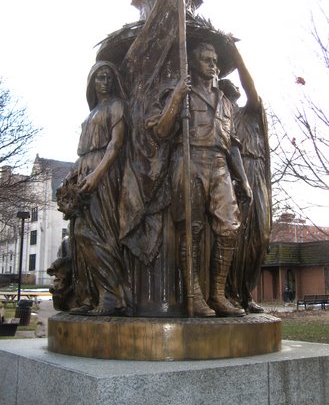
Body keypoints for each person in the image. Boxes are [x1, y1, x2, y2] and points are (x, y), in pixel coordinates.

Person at [149, 42, 251, 317]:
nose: (212, 65)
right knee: (190, 231)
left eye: (214, 60)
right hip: (189, 161)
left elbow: (232, 144)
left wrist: (242, 178)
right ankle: (194, 296)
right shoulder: (181, 93)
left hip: (219, 166)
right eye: (206, 59)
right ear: (193, 63)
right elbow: (160, 131)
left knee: (230, 227)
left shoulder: (226, 103)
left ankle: (218, 294)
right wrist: (176, 97)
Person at [61, 60, 132, 316]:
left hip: (104, 172)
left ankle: (112, 296)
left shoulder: (116, 105)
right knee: (80, 234)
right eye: (100, 77)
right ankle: (90, 295)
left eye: (109, 77)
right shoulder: (91, 114)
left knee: (99, 233)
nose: (105, 82)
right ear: (92, 82)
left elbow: (116, 145)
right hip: (85, 171)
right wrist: (73, 175)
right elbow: (82, 154)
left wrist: (97, 174)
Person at [220, 46, 272, 313]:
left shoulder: (251, 112)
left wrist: (237, 57)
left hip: (255, 172)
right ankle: (232, 294)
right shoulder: (222, 119)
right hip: (231, 175)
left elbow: (250, 87)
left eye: (228, 94)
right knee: (234, 236)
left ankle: (245, 292)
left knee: (259, 236)